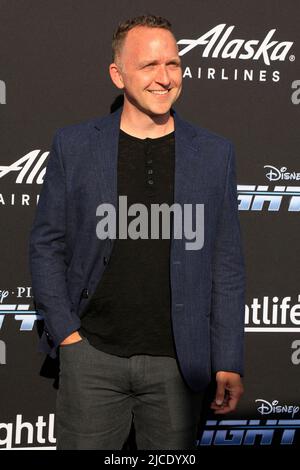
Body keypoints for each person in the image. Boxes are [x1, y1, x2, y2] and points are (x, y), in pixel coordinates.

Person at [29, 14, 246, 450]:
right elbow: (46, 245)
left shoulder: (214, 153)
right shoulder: (75, 145)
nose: (164, 78)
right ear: (118, 74)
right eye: (149, 66)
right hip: (92, 356)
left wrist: (227, 360)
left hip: (180, 366)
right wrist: (68, 335)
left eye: (173, 64)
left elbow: (226, 262)